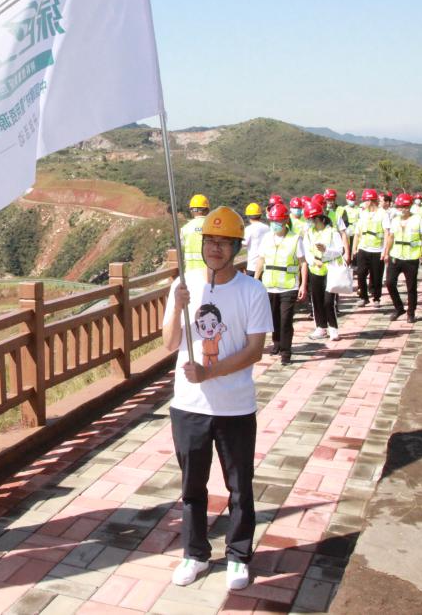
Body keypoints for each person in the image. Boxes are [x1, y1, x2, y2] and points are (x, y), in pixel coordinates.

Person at [163, 206, 272, 591]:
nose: (215, 248)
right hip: (189, 405)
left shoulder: (252, 290)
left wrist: (210, 372)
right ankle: (194, 553)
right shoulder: (184, 285)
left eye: (224, 242)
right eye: (210, 240)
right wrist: (178, 306)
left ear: (236, 248)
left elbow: (255, 350)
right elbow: (169, 343)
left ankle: (238, 555)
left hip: (235, 406)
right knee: (192, 486)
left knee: (239, 485)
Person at [254, 202, 307, 363]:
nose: (274, 224)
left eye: (277, 221)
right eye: (272, 221)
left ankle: (286, 352)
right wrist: (255, 280)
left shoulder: (295, 239)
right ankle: (276, 342)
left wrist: (303, 285)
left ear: (285, 221)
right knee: (273, 318)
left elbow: (303, 263)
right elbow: (261, 260)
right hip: (269, 285)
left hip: (289, 286)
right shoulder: (266, 238)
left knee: (286, 319)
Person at [383, 193, 422, 322]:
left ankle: (411, 313)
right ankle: (399, 308)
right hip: (395, 256)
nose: (402, 209)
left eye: (405, 207)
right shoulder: (395, 220)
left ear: (409, 206)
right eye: (399, 207)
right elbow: (391, 237)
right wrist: (386, 252)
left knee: (411, 287)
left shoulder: (418, 220)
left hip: (411, 258)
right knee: (390, 283)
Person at [303, 202, 345, 341]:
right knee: (316, 300)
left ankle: (333, 328)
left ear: (319, 218)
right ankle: (320, 327)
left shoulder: (332, 232)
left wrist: (326, 251)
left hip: (330, 269)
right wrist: (313, 261)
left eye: (311, 219)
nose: (310, 222)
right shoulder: (309, 233)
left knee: (328, 301)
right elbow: (307, 251)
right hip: (315, 270)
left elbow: (340, 250)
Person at [353, 188, 389, 307]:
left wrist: (385, 251)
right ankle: (363, 297)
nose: (364, 203)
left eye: (365, 200)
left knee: (376, 275)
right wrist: (354, 248)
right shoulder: (363, 214)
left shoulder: (383, 214)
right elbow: (357, 232)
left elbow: (386, 233)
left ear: (371, 201)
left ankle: (376, 298)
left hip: (377, 249)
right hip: (363, 248)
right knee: (361, 273)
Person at [181, 194, 211, 276]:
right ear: (207, 210)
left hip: (190, 274)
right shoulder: (212, 227)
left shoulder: (185, 228)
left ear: (192, 211)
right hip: (208, 274)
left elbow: (182, 246)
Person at [242, 202, 269, 277]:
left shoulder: (249, 229)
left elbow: (243, 243)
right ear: (260, 215)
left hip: (253, 266)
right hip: (265, 266)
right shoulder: (267, 228)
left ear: (248, 216)